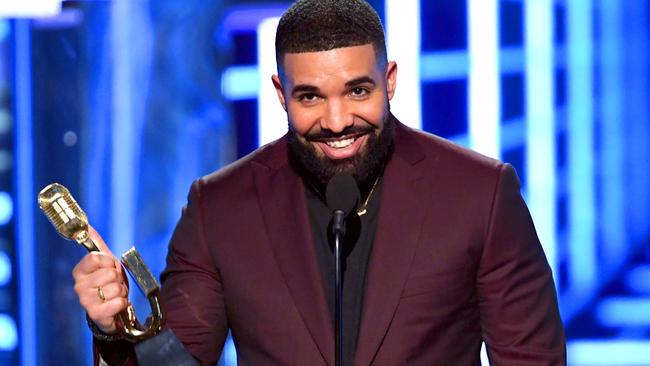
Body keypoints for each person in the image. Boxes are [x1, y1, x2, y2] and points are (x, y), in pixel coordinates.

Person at [72, 0, 566, 365]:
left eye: (357, 90)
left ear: (389, 80)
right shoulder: (220, 207)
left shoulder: (478, 193)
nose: (336, 120)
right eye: (310, 97)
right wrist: (113, 329)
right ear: (280, 94)